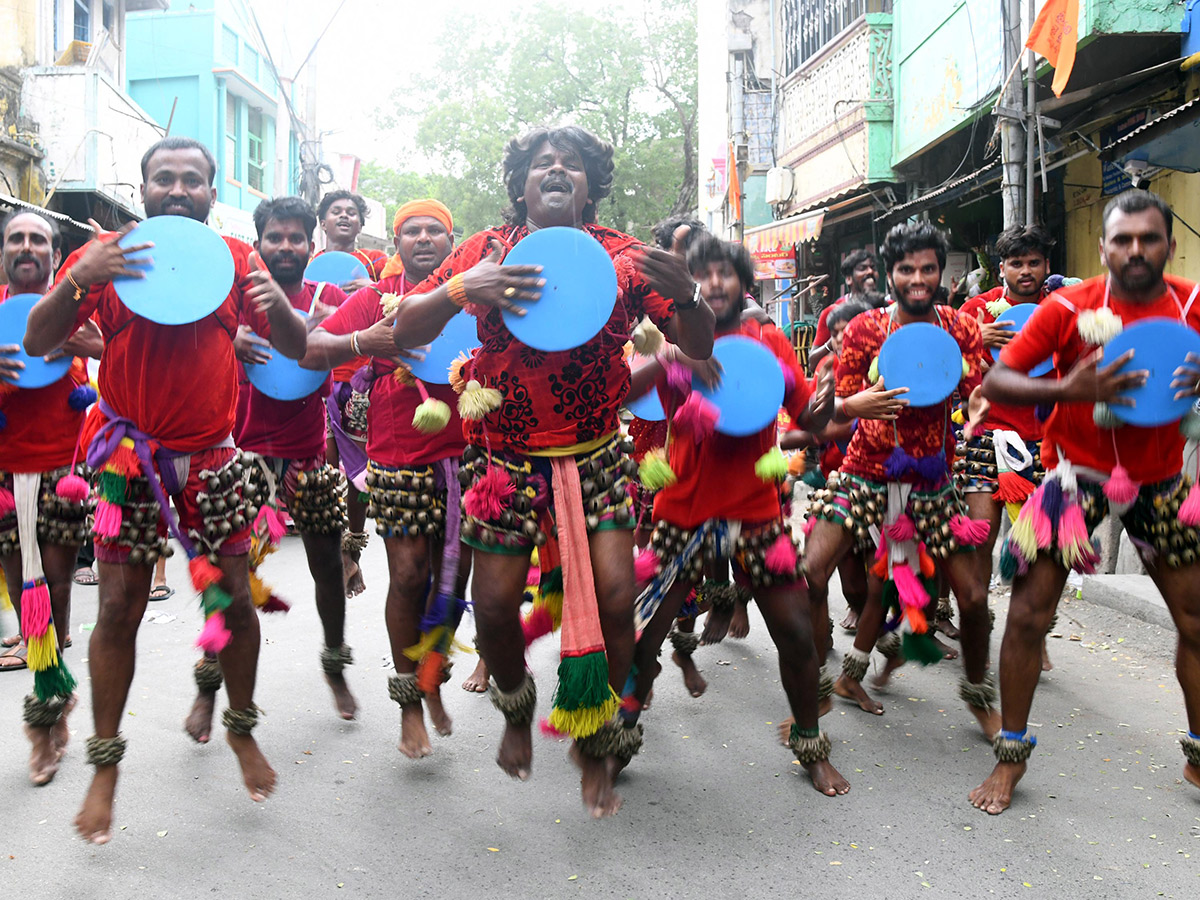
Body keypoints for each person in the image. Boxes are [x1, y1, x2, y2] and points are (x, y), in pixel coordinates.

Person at [392, 125, 714, 817]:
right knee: (501, 609)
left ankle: (598, 740)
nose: (558, 170)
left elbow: (697, 347)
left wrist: (688, 297)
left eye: (572, 164)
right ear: (520, 186)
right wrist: (458, 290)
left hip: (597, 454)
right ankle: (516, 709)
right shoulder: (485, 253)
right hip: (503, 458)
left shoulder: (626, 259)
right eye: (543, 164)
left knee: (618, 599)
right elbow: (406, 331)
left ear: (591, 185)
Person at [24, 136, 307, 843]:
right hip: (127, 461)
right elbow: (36, 339)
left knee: (235, 603)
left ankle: (241, 728)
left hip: (213, 461)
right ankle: (104, 763)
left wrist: (279, 305)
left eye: (193, 181)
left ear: (214, 192)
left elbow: (298, 350)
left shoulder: (239, 260)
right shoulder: (110, 255)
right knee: (117, 609)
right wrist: (76, 279)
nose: (178, 191)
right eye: (164, 179)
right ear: (143, 186)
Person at [970, 189, 1200, 814]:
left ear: (1168, 245)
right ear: (1102, 248)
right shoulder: (1069, 306)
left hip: (1162, 481)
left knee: (1196, 619)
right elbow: (996, 379)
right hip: (1075, 477)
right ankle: (1009, 759)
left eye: (1148, 239)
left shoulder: (1193, 303)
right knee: (1027, 614)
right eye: (1121, 240)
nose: (1134, 251)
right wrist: (1068, 387)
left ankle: (1199, 756)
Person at [624, 234, 846, 794]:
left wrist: (821, 411)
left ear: (744, 284)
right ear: (680, 289)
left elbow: (807, 420)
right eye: (700, 274)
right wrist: (667, 357)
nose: (714, 283)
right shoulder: (663, 340)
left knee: (797, 636)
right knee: (643, 639)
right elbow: (627, 398)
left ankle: (810, 745)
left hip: (757, 517)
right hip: (683, 517)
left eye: (725, 273)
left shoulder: (769, 343)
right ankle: (616, 739)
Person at [802, 222, 995, 733]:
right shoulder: (865, 330)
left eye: (927, 268)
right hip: (864, 476)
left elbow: (981, 388)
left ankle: (978, 696)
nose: (918, 278)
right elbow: (831, 419)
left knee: (974, 600)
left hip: (933, 486)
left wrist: (977, 408)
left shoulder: (961, 328)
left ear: (939, 271)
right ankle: (815, 691)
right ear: (890, 274)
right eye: (906, 269)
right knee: (808, 573)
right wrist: (850, 403)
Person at [183, 195, 354, 742]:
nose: (285, 247)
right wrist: (227, 336)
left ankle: (335, 664)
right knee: (223, 579)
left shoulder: (330, 297)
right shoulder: (232, 296)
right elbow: (191, 337)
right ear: (258, 244)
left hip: (308, 454)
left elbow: (357, 350)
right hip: (239, 453)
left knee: (327, 569)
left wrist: (328, 332)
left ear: (312, 244)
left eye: (295, 238)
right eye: (274, 238)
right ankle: (208, 686)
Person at [303, 198, 467, 757]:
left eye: (434, 232)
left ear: (452, 241)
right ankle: (411, 704)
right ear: (395, 244)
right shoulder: (375, 297)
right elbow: (312, 347)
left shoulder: (472, 293)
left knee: (453, 580)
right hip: (398, 455)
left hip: (470, 453)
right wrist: (362, 342)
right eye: (411, 232)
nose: (423, 239)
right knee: (410, 573)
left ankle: (432, 680)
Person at [0, 209, 100, 783]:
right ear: (5, 251)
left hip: (65, 470)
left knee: (57, 592)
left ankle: (47, 706)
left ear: (54, 250)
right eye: (17, 238)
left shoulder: (76, 308)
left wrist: (95, 343)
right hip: (5, 477)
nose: (27, 246)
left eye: (38, 238)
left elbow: (119, 359)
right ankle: (52, 693)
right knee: (23, 592)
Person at [956, 224, 1058, 664]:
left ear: (1046, 266)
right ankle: (976, 619)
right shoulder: (976, 310)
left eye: (1034, 262)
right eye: (1017, 263)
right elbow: (949, 364)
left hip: (1040, 442)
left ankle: (1031, 629)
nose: (1026, 271)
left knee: (1032, 545)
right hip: (986, 435)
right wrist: (978, 340)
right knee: (981, 536)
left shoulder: (1061, 308)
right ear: (1002, 269)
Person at [809, 249, 882, 369]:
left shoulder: (888, 307)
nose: (870, 272)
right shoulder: (832, 311)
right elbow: (812, 363)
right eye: (862, 268)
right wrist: (835, 339)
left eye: (873, 268)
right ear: (848, 279)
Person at [314, 190, 388, 290]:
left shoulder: (376, 260)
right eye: (336, 212)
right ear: (323, 224)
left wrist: (374, 289)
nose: (344, 215)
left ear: (360, 226)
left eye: (351, 213)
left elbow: (397, 298)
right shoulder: (310, 264)